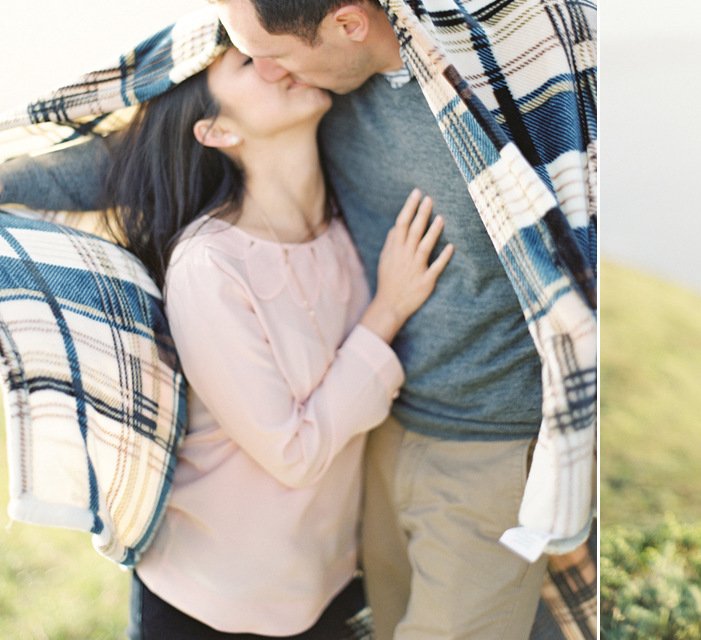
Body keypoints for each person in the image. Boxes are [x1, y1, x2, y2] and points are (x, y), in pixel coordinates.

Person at [0, 0, 596, 640]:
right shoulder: (292, 64)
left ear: (346, 25)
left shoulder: (497, 65)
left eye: (268, 55)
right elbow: (122, 156)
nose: (266, 65)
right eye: (250, 58)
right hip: (364, 457)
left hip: (487, 444)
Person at [104, 47, 451, 638]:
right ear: (217, 131)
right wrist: (387, 309)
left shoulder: (347, 221)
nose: (274, 62)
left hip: (330, 584)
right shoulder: (210, 265)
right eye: (246, 65)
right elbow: (295, 451)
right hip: (212, 601)